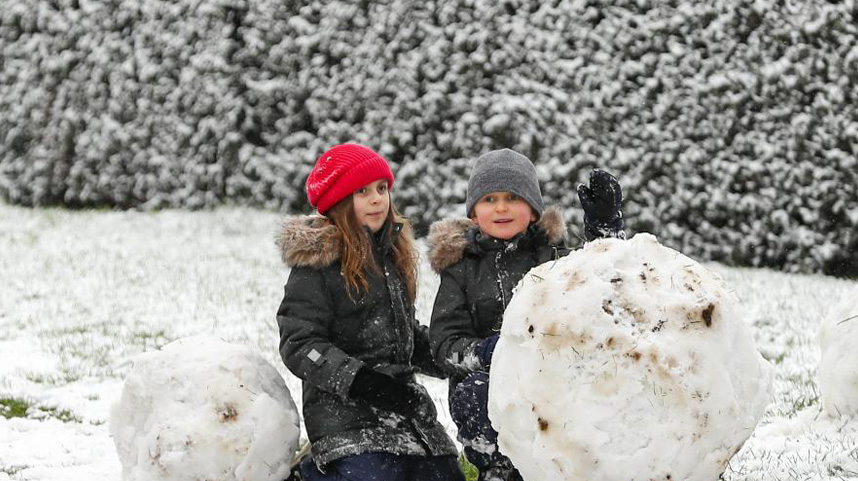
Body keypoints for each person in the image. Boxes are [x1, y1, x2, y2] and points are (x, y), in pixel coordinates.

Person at [427, 149, 624, 481]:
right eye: (489, 199)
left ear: (533, 210)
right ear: (474, 212)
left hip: (552, 376)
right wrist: (490, 352)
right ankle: (497, 468)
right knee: (474, 391)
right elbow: (446, 345)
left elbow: (602, 285)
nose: (501, 208)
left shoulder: (555, 259)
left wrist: (605, 232)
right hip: (489, 381)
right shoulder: (461, 269)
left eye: (513, 198)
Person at [276, 143, 464, 481]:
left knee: (443, 476)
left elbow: (403, 334)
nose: (377, 199)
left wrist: (445, 353)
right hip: (344, 414)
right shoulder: (318, 265)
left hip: (406, 410)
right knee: (376, 475)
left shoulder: (390, 255)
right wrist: (362, 382)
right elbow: (299, 342)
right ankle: (310, 475)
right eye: (362, 192)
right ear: (339, 202)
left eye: (381, 189)